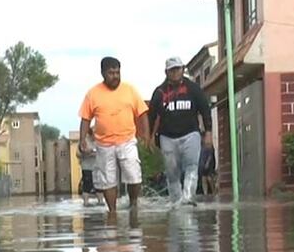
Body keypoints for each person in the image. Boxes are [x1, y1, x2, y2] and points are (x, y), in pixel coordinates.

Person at [78, 57, 152, 214]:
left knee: (133, 174)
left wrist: (146, 134)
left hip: (127, 140)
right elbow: (85, 118)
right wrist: (82, 139)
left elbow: (143, 113)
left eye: (117, 72)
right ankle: (112, 211)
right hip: (104, 144)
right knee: (108, 180)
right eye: (111, 73)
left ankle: (133, 203)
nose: (115, 76)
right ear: (103, 73)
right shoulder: (93, 94)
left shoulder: (130, 90)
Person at [148, 57, 213, 206]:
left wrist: (208, 132)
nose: (176, 72)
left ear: (183, 69)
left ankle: (188, 199)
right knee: (172, 173)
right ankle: (176, 202)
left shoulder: (193, 88)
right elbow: (151, 116)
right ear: (166, 72)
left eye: (178, 69)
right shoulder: (159, 92)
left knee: (192, 167)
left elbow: (205, 109)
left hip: (191, 134)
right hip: (167, 137)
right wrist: (150, 137)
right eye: (172, 70)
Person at [77, 127, 103, 206]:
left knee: (99, 185)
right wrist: (86, 153)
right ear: (90, 134)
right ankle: (86, 202)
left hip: (98, 166)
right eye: (95, 134)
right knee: (87, 184)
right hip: (87, 166)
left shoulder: (100, 141)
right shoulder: (84, 141)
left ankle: (101, 201)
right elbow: (78, 154)